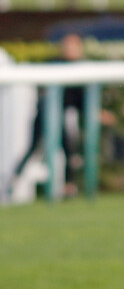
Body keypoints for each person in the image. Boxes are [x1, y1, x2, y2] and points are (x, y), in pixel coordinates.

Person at [14, 33, 88, 196]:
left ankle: (69, 186)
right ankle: (15, 179)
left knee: (69, 150)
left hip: (64, 115)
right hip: (46, 112)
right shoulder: (54, 63)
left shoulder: (83, 68)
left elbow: (80, 99)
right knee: (35, 147)